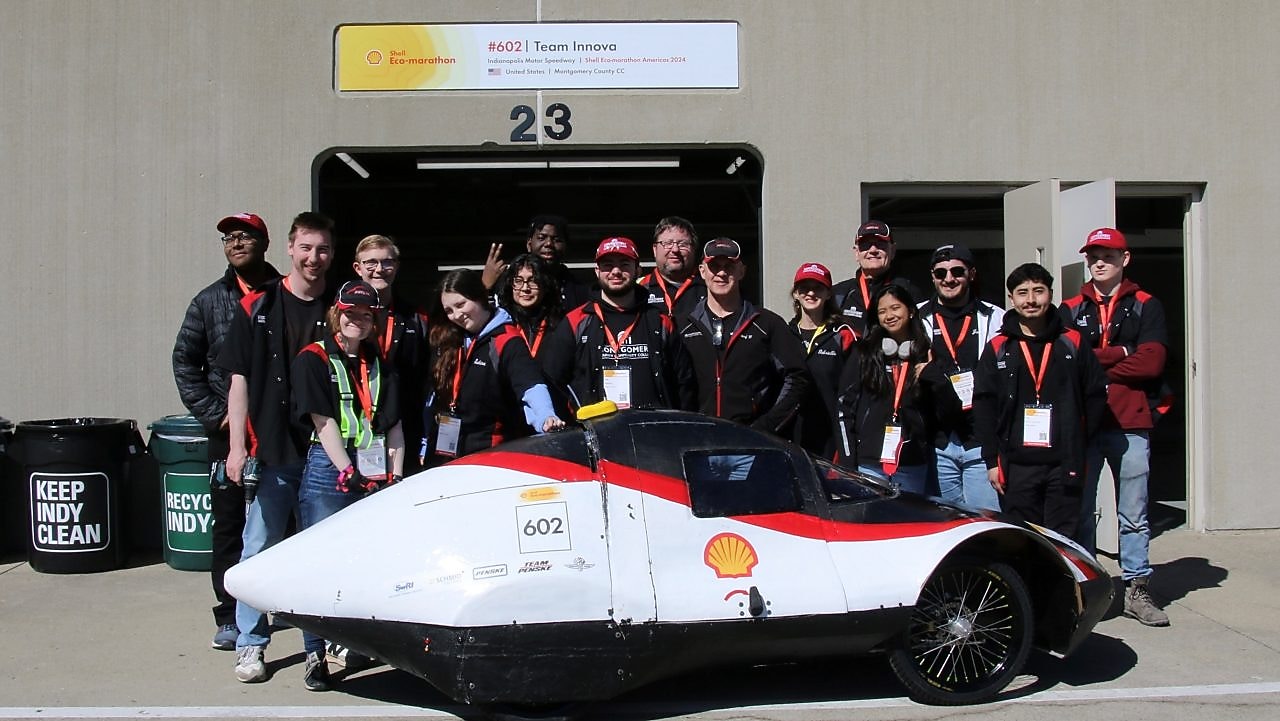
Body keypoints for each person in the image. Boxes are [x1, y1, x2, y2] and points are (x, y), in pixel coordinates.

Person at [217, 211, 335, 684]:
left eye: (322, 249)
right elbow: (239, 381)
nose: (313, 257)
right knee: (258, 548)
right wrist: (236, 447)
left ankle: (321, 646)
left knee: (322, 552)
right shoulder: (259, 306)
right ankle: (250, 644)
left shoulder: (344, 307)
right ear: (289, 249)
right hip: (273, 448)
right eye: (305, 248)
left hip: (327, 451)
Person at [171, 212, 281, 652]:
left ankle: (281, 605)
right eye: (228, 238)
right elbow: (185, 363)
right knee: (231, 524)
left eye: (245, 236)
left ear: (264, 242)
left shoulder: (286, 293)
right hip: (227, 431)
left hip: (279, 429)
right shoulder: (208, 301)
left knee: (284, 522)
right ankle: (229, 615)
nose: (235, 243)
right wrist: (217, 416)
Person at [290, 280, 405, 689]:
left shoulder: (381, 364)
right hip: (331, 468)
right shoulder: (314, 359)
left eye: (366, 314)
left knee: (367, 563)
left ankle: (356, 643)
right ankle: (314, 653)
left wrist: (396, 476)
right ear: (336, 315)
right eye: (350, 312)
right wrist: (346, 470)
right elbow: (322, 421)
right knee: (319, 562)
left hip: (373, 467)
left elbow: (393, 426)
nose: (357, 319)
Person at [1061, 227, 1172, 627]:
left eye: (1107, 254)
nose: (1099, 261)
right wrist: (1122, 352)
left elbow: (1152, 363)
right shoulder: (1070, 307)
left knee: (1134, 513)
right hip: (1085, 425)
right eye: (1093, 255)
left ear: (1125, 259)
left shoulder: (1146, 305)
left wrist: (1098, 361)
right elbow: (1068, 361)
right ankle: (1089, 588)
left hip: (1131, 423)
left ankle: (1137, 589)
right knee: (1081, 509)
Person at [973, 263, 1107, 538]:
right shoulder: (999, 348)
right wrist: (991, 461)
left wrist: (1079, 440)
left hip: (1064, 462)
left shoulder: (1072, 342)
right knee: (1023, 540)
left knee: (1064, 539)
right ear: (1012, 298)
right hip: (1016, 465)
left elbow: (1095, 395)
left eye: (1039, 291)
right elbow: (984, 405)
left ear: (1050, 294)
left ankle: (1067, 583)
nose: (1031, 300)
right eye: (1022, 293)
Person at [422, 269, 564, 461]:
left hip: (488, 454)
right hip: (445, 450)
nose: (456, 315)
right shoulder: (448, 339)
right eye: (449, 310)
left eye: (461, 305)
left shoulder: (506, 341)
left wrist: (546, 417)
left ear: (480, 297)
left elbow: (530, 385)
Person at [676, 238, 808, 435]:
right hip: (696, 441)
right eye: (714, 266)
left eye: (729, 266)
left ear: (741, 271)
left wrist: (766, 427)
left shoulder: (767, 323)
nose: (721, 273)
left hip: (749, 444)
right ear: (702, 271)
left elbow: (798, 377)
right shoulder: (682, 325)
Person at [835, 284, 958, 494]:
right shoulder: (864, 353)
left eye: (895, 308)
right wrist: (848, 461)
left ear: (910, 311)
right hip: (870, 464)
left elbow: (949, 411)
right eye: (882, 312)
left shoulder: (927, 354)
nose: (889, 316)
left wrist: (933, 376)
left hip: (912, 463)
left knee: (910, 525)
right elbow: (843, 409)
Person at [543, 237, 687, 411]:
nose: (616, 271)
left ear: (638, 270)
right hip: (595, 431)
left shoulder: (660, 321)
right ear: (597, 271)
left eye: (625, 264)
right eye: (608, 265)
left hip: (653, 430)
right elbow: (553, 380)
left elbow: (684, 383)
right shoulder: (576, 321)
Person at [918, 244, 1005, 511]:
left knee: (986, 522)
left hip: (979, 440)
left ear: (972, 274)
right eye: (940, 272)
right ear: (932, 277)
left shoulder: (995, 316)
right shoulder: (917, 316)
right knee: (946, 523)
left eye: (957, 271)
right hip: (938, 441)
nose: (949, 279)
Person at [351, 234, 430, 477]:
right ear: (358, 268)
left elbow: (426, 376)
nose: (380, 269)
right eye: (371, 263)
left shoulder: (417, 317)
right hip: (356, 431)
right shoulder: (345, 317)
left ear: (396, 266)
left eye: (387, 262)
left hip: (406, 431)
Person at [786, 262, 856, 458]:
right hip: (793, 435)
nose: (810, 293)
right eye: (804, 288)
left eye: (818, 287)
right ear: (796, 294)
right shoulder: (784, 334)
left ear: (828, 294)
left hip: (831, 436)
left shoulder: (843, 335)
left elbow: (854, 391)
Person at [832, 220, 922, 336]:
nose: (873, 250)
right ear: (856, 252)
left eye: (880, 244)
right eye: (865, 245)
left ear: (893, 250)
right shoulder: (839, 294)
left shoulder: (909, 292)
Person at [482, 215, 589, 310]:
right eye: (541, 238)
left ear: (566, 247)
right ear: (529, 244)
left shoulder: (579, 289)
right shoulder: (509, 281)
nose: (548, 244)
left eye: (556, 240)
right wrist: (484, 286)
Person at [495, 253, 563, 365]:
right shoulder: (501, 323)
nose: (525, 288)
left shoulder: (560, 323)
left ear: (545, 285)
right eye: (518, 281)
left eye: (533, 281)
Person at [639, 216, 707, 319]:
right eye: (667, 243)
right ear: (655, 249)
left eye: (683, 244)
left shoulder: (709, 287)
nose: (675, 249)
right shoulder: (638, 289)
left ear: (694, 249)